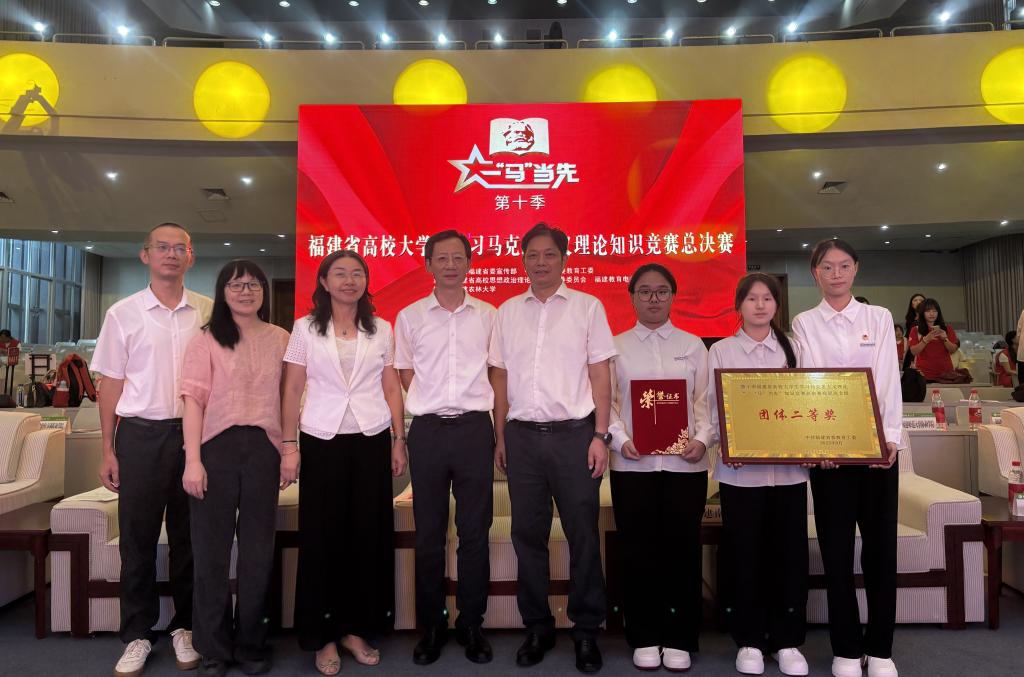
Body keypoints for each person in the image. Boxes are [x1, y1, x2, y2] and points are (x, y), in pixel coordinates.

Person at [489, 223, 617, 674]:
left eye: (549, 254)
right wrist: (501, 436)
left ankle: (586, 630)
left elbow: (600, 374)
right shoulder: (506, 312)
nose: (540, 262)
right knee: (527, 535)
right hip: (522, 437)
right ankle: (537, 627)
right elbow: (499, 377)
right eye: (533, 255)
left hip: (574, 436)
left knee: (583, 534)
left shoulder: (588, 307)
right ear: (522, 260)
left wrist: (600, 435)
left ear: (564, 259)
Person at [281, 250, 407, 675]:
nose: (349, 280)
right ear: (324, 281)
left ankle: (357, 629)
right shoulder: (304, 328)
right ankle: (324, 636)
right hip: (322, 438)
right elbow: (292, 387)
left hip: (371, 437)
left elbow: (391, 387)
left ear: (366, 281)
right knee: (323, 537)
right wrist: (289, 445)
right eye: (340, 273)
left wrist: (398, 439)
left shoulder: (382, 328)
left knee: (367, 536)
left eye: (357, 274)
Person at [93, 222, 211, 677]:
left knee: (190, 538)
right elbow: (110, 385)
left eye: (180, 247)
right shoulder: (122, 313)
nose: (171, 254)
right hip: (141, 436)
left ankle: (186, 627)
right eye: (162, 247)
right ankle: (137, 635)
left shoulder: (207, 310)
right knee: (138, 539)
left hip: (195, 438)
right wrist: (108, 449)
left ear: (191, 256)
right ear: (145, 255)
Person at [792, 239, 902, 677]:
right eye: (826, 267)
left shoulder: (878, 318)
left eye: (843, 266)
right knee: (836, 552)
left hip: (877, 454)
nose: (835, 274)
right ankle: (846, 648)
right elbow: (808, 382)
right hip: (830, 457)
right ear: (815, 273)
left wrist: (890, 439)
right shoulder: (804, 323)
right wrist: (817, 444)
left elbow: (888, 380)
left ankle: (880, 648)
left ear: (856, 269)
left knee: (880, 552)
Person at [180, 260, 290, 677]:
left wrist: (289, 449)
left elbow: (289, 398)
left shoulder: (280, 338)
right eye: (236, 285)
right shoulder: (206, 339)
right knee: (211, 552)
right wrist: (193, 461)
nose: (246, 291)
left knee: (258, 552)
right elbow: (193, 401)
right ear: (223, 292)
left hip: (264, 449)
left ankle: (252, 644)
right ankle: (213, 648)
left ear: (264, 291)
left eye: (253, 284)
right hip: (215, 449)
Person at [394, 230, 497, 665]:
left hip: (474, 430)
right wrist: (432, 399)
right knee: (429, 535)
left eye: (458, 258)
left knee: (475, 533)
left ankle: (471, 624)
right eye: (442, 258)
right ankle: (432, 626)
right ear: (428, 264)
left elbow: (496, 372)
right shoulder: (410, 316)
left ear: (469, 263)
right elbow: (404, 371)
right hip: (429, 431)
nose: (451, 265)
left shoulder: (489, 315)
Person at [606, 263, 713, 673]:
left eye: (662, 291)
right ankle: (645, 635)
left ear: (673, 296)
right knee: (637, 550)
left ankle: (681, 636)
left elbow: (705, 401)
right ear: (632, 297)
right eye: (645, 291)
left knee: (682, 550)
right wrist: (620, 438)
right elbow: (608, 403)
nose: (654, 298)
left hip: (685, 466)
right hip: (633, 465)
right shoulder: (616, 347)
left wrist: (703, 438)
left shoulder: (693, 345)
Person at [707, 274, 809, 677]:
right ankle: (748, 640)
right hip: (741, 476)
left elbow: (809, 398)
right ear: (739, 305)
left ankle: (787, 641)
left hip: (789, 474)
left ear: (776, 305)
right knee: (744, 555)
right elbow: (713, 407)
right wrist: (725, 443)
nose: (760, 305)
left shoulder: (795, 349)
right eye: (752, 299)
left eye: (768, 298)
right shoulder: (722, 350)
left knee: (789, 556)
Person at [907, 299, 959, 382]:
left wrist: (945, 339)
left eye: (934, 311)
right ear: (922, 313)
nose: (932, 314)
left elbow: (953, 350)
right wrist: (926, 340)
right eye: (928, 311)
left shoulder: (947, 328)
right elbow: (913, 351)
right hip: (924, 375)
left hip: (946, 375)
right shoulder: (915, 330)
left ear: (938, 313)